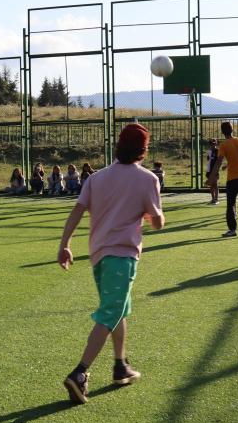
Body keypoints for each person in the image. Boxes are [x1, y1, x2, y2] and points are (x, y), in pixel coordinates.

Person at [57, 123, 164, 404]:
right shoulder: (147, 179)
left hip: (99, 255)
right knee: (110, 312)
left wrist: (65, 244)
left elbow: (77, 211)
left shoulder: (97, 178)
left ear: (118, 146)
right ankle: (80, 373)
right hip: (123, 255)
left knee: (119, 309)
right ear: (144, 149)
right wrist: (152, 215)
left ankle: (120, 365)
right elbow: (157, 222)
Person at [205, 139, 220, 204]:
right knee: (211, 184)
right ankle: (213, 199)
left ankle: (216, 199)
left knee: (215, 184)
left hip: (215, 169)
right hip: (209, 170)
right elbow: (208, 160)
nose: (213, 145)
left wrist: (216, 169)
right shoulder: (209, 151)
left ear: (216, 144)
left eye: (214, 143)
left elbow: (219, 160)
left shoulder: (218, 151)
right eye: (211, 144)